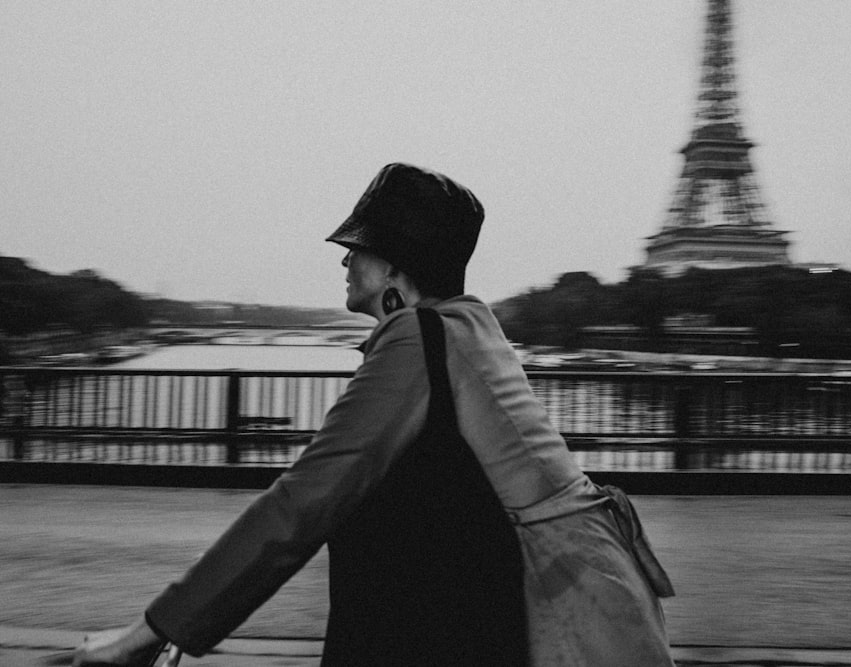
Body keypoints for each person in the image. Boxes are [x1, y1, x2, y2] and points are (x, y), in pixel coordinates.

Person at [74, 163, 675, 666]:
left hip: (468, 634)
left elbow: (303, 500)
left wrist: (153, 631)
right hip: (510, 611)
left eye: (358, 249)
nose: (344, 261)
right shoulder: (472, 329)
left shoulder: (418, 337)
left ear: (394, 269)